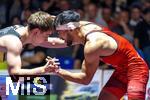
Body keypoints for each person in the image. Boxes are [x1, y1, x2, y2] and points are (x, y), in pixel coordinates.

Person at [48, 10, 149, 100]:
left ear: (70, 29)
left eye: (59, 32)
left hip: (137, 69)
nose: (59, 36)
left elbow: (85, 79)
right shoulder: (82, 26)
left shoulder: (93, 45)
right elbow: (59, 34)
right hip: (121, 70)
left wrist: (57, 71)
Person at [0, 11, 61, 75]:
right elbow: (14, 74)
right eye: (47, 35)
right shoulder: (14, 42)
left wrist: (72, 38)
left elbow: (53, 42)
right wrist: (43, 69)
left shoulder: (21, 30)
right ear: (36, 32)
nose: (46, 39)